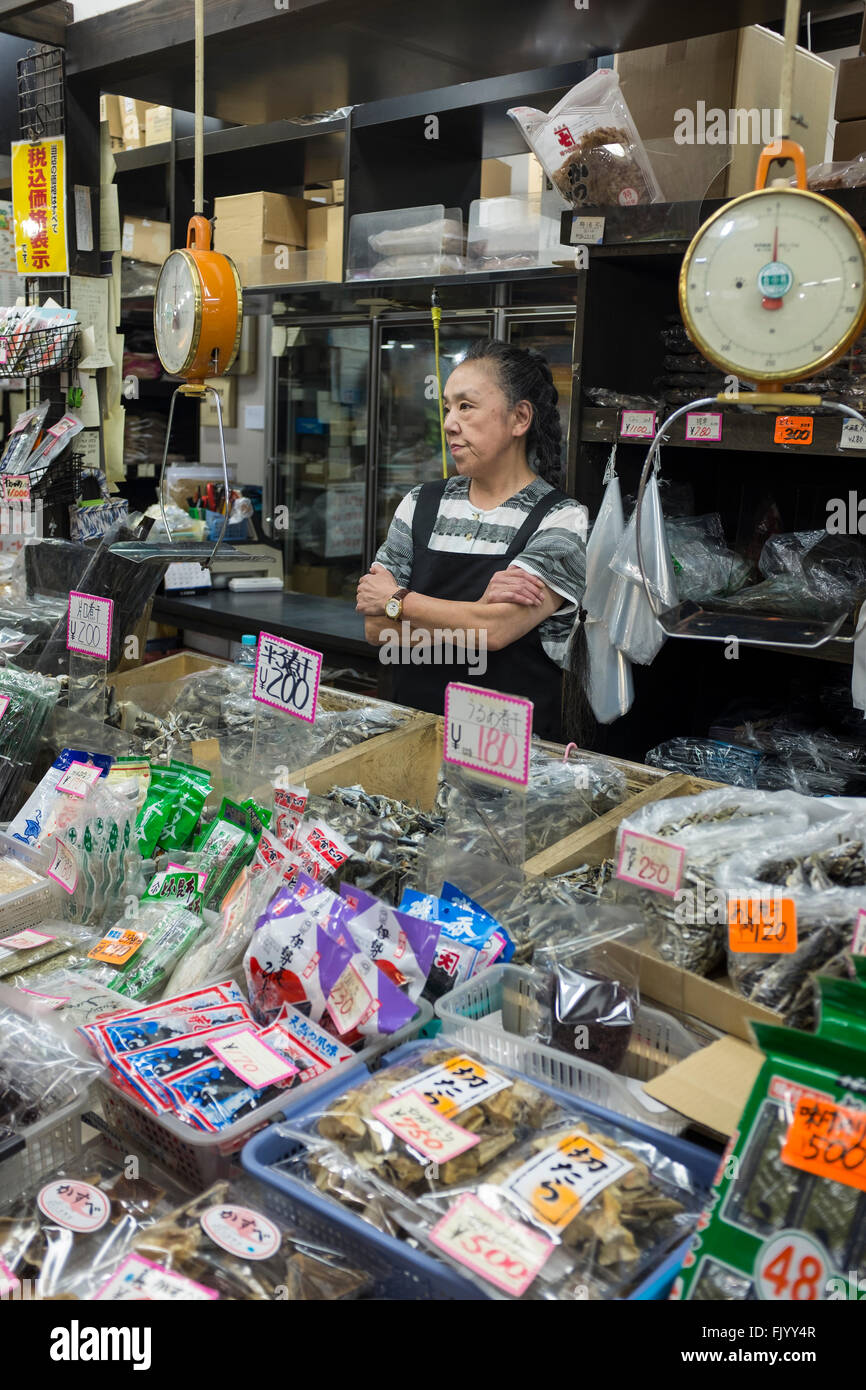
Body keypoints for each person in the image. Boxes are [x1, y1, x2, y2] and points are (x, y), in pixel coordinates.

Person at [356, 339, 587, 741]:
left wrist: (399, 601)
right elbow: (376, 629)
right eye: (447, 406)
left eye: (466, 406)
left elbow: (495, 631)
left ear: (519, 418)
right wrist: (474, 613)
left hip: (511, 754)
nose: (449, 422)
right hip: (415, 735)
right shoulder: (419, 503)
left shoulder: (561, 519)